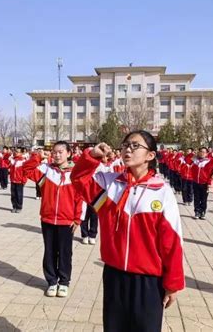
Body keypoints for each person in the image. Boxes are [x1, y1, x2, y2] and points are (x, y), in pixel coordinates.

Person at [71, 131, 184, 332]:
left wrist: (173, 282)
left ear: (150, 156)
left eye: (135, 146)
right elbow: (78, 179)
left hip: (148, 280)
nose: (127, 149)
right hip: (114, 275)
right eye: (125, 145)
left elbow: (172, 241)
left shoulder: (162, 191)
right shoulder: (110, 183)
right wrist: (92, 156)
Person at [23, 141, 82, 298]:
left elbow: (79, 197)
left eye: (60, 151)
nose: (56, 154)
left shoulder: (75, 173)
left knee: (64, 252)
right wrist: (37, 156)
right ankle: (51, 281)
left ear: (68, 153)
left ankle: (63, 282)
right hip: (48, 219)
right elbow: (26, 170)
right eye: (54, 152)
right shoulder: (45, 170)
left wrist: (77, 219)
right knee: (49, 251)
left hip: (67, 221)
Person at [191, 147, 213, 219]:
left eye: (204, 152)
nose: (202, 153)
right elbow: (187, 161)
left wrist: (209, 183)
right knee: (196, 198)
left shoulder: (209, 162)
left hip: (205, 183)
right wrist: (193, 155)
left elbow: (211, 174)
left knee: (204, 198)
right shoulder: (195, 161)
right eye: (201, 151)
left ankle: (203, 211)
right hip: (196, 182)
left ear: (207, 153)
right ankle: (197, 212)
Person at [9, 148, 27, 213]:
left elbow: (25, 172)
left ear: (21, 153)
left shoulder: (23, 161)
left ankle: (19, 207)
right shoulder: (13, 160)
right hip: (13, 180)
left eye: (18, 152)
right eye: (15, 151)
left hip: (20, 180)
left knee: (19, 194)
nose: (16, 153)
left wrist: (24, 180)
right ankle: (14, 206)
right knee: (13, 195)